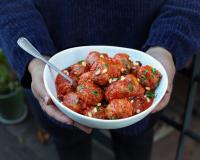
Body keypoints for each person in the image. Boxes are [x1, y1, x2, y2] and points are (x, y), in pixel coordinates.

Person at [0, 1, 200, 160]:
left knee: (136, 148)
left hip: (142, 109)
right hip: (54, 78)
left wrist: (165, 46)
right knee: (70, 147)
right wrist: (36, 62)